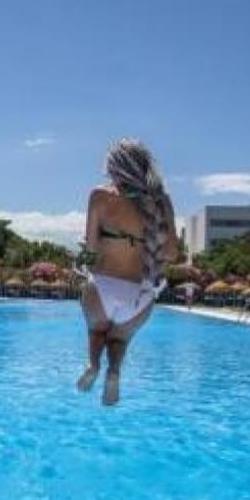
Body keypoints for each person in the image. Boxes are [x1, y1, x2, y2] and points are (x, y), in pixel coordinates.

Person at [77, 138, 178, 405]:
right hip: (141, 294)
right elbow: (171, 254)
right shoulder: (161, 202)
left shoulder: (100, 196)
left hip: (102, 287)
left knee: (96, 332)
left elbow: (90, 248)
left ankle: (93, 364)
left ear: (114, 168)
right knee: (119, 340)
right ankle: (114, 371)